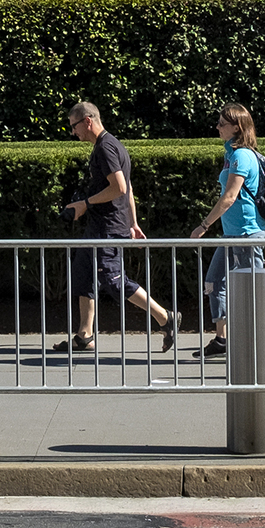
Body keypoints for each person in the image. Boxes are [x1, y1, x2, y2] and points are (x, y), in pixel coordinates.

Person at [58, 101, 178, 352]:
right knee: (83, 276)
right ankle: (84, 335)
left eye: (74, 126)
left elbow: (120, 188)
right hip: (102, 225)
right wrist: (133, 222)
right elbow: (129, 188)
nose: (73, 132)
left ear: (87, 121)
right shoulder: (112, 145)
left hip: (108, 227)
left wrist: (85, 204)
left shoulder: (105, 148)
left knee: (114, 281)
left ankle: (166, 318)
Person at [185, 104, 265, 359]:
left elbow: (229, 197)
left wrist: (203, 226)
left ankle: (258, 345)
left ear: (237, 127)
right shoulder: (231, 154)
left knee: (251, 291)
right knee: (214, 283)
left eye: (222, 123)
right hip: (231, 235)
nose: (217, 127)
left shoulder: (242, 156)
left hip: (247, 234)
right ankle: (222, 339)